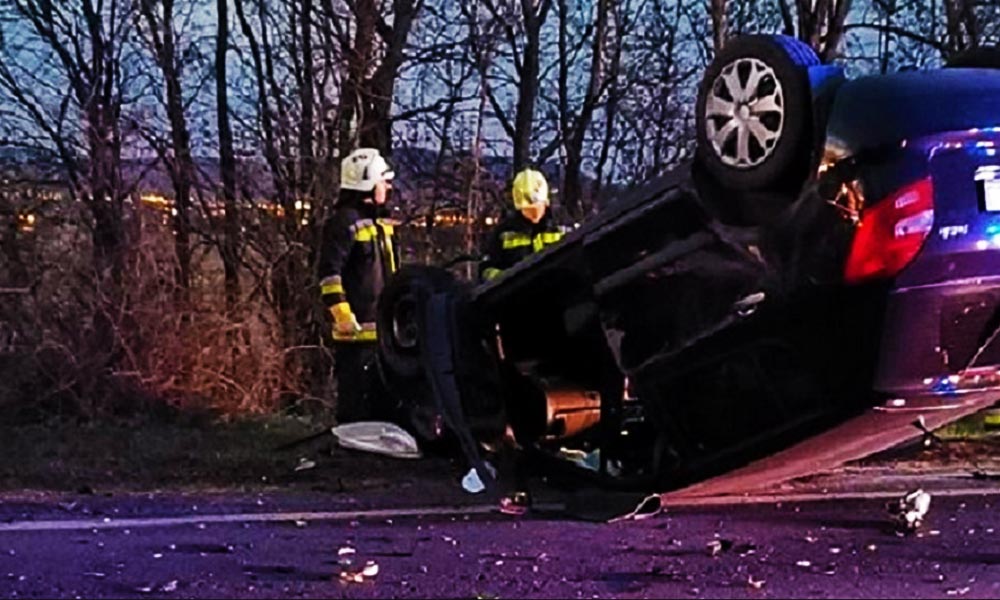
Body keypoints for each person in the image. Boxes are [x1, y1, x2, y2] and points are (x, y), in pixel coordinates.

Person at [318, 148, 398, 423]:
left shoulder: (381, 223)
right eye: (383, 181)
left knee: (382, 400)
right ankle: (349, 453)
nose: (387, 187)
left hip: (383, 331)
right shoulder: (344, 223)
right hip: (355, 335)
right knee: (355, 401)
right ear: (368, 182)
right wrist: (342, 314)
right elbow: (329, 274)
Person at [480, 168, 566, 282]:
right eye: (528, 209)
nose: (534, 214)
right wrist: (503, 279)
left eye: (537, 207)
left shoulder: (560, 228)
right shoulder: (504, 233)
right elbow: (486, 268)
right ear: (519, 208)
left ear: (546, 203)